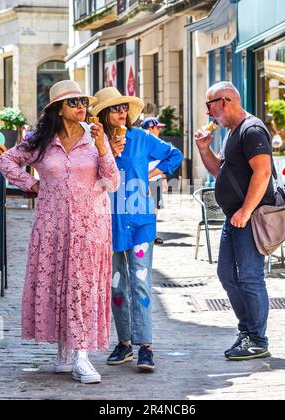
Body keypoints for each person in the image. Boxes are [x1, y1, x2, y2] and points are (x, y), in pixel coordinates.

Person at [0, 80, 120, 383]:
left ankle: (82, 356)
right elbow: (6, 160)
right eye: (74, 103)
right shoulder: (40, 141)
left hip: (89, 226)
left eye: (83, 102)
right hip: (51, 226)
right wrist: (32, 184)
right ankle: (65, 353)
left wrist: (104, 147)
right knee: (59, 283)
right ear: (58, 110)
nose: (82, 107)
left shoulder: (95, 140)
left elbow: (113, 181)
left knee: (81, 286)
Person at [91, 87, 183, 371]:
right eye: (115, 108)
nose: (121, 112)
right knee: (117, 286)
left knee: (140, 283)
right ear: (105, 114)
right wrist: (104, 153)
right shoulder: (95, 144)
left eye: (124, 108)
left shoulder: (141, 138)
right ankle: (124, 343)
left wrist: (151, 174)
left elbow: (175, 155)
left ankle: (146, 346)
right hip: (109, 223)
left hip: (141, 222)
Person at [195, 81, 274, 361]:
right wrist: (204, 150)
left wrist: (245, 211)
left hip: (249, 217)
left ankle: (257, 339)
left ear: (225, 100)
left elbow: (262, 173)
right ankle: (247, 332)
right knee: (227, 275)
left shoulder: (251, 130)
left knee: (250, 278)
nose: (208, 113)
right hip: (236, 217)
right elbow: (221, 172)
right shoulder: (232, 132)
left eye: (210, 105)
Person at [141, 117, 168, 245]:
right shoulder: (141, 143)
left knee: (155, 208)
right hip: (144, 180)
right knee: (143, 208)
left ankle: (152, 234)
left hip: (156, 180)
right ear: (149, 129)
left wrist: (163, 178)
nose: (159, 131)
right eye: (157, 128)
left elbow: (163, 162)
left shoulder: (159, 143)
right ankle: (144, 234)